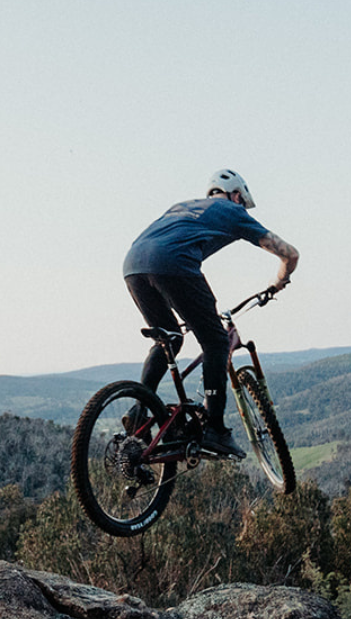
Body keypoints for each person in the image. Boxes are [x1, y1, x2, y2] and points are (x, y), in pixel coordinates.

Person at [122, 169, 299, 459]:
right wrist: (278, 283)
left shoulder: (182, 207)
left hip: (133, 264)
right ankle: (214, 428)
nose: (242, 208)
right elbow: (290, 254)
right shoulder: (232, 210)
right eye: (242, 202)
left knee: (169, 339)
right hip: (173, 263)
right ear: (237, 195)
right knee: (216, 341)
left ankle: (139, 410)